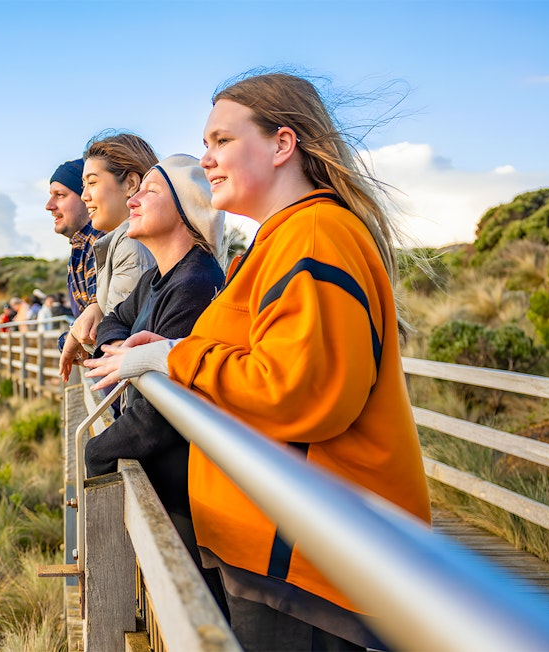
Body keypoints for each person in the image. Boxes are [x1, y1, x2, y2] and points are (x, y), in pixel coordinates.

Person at [85, 72, 431, 651]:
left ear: (281, 144)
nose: (207, 158)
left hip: (312, 565)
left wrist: (175, 358)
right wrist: (169, 353)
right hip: (281, 555)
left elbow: (299, 391)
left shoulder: (317, 235)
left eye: (222, 140)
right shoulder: (279, 241)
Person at [81, 153, 228, 615]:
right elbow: (112, 321)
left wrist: (96, 451)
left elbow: (157, 419)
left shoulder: (196, 284)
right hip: (167, 481)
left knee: (195, 606)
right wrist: (125, 352)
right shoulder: (156, 279)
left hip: (190, 495)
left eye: (150, 190)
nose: (134, 197)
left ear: (186, 210)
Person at [59, 132, 157, 382]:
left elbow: (119, 344)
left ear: (131, 184)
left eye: (92, 183)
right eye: (83, 186)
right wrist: (94, 308)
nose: (84, 196)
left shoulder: (132, 244)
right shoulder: (119, 242)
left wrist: (73, 336)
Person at [45, 158, 104, 358]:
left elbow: (93, 332)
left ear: (86, 196)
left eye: (60, 195)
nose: (49, 205)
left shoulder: (100, 244)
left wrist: (66, 340)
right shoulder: (80, 246)